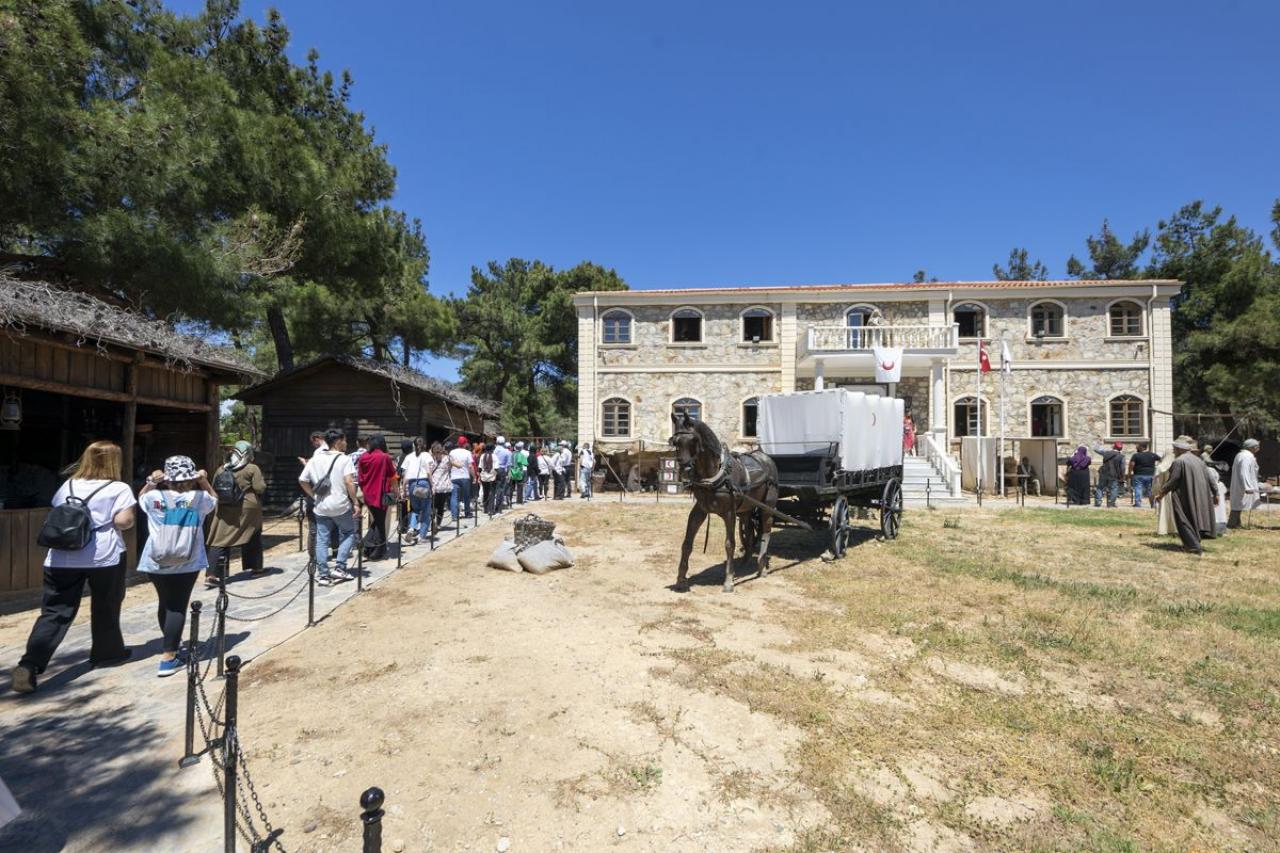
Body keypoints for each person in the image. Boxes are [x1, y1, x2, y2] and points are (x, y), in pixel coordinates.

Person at [10, 441, 136, 695]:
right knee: (106, 603)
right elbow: (124, 522)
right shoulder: (118, 488)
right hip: (103, 555)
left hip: (61, 557)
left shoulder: (67, 484)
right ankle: (107, 652)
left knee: (55, 611)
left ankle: (30, 664)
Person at [136, 456, 219, 677]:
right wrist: (204, 481)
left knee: (165, 602)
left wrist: (151, 482)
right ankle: (169, 656)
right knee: (178, 605)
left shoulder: (154, 496)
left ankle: (170, 643)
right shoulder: (199, 498)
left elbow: (140, 498)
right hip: (188, 559)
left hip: (157, 559)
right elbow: (215, 500)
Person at [299, 429, 359, 585]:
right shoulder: (344, 459)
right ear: (338, 441)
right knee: (348, 533)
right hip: (340, 504)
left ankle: (323, 575)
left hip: (321, 505)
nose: (346, 443)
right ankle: (340, 568)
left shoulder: (315, 459)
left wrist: (313, 495)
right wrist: (355, 501)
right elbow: (349, 482)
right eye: (344, 440)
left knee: (321, 539)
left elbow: (302, 480)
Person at [206, 441, 267, 588]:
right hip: (247, 506)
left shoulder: (221, 469)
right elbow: (260, 488)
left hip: (224, 506)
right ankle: (256, 568)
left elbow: (214, 486)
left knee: (219, 538)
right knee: (252, 533)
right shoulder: (252, 468)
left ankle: (213, 574)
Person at [1154, 435, 1217, 554]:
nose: (1174, 451)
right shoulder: (1199, 460)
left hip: (1184, 495)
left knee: (1183, 519)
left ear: (1179, 448)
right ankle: (1195, 541)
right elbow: (1211, 478)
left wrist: (1161, 493)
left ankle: (1192, 546)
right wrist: (1216, 493)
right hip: (1201, 495)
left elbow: (1173, 481)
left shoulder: (1179, 461)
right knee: (1195, 518)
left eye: (1175, 449)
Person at [357, 435, 398, 561]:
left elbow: (360, 478)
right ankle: (372, 548)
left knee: (377, 521)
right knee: (380, 523)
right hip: (382, 494)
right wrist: (396, 491)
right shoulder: (385, 457)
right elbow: (392, 476)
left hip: (367, 495)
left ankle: (371, 548)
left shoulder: (363, 457)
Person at [1229, 438, 1261, 528]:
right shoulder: (1247, 456)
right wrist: (1247, 487)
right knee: (1238, 503)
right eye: (1257, 446)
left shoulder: (1241, 455)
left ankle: (1236, 523)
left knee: (1238, 503)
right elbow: (1244, 471)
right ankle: (1232, 523)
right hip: (1242, 484)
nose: (1258, 448)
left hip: (1239, 483)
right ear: (1252, 447)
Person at [425, 441, 453, 533]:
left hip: (434, 487)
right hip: (443, 487)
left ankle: (433, 523)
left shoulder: (429, 459)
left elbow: (427, 473)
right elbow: (455, 466)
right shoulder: (447, 459)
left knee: (433, 506)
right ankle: (438, 524)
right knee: (440, 507)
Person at [397, 438, 422, 545]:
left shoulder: (399, 458)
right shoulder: (414, 457)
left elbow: (398, 472)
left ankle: (402, 526)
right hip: (413, 484)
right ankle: (413, 527)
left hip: (403, 485)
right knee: (414, 507)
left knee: (403, 507)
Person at [1201, 444, 1228, 536]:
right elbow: (1209, 463)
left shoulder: (1218, 485)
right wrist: (1218, 463)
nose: (1211, 449)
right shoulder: (1204, 455)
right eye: (1210, 448)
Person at [448, 436, 475, 521]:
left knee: (454, 496)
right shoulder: (467, 452)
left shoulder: (452, 452)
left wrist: (449, 474)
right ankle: (467, 513)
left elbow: (449, 464)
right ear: (465, 443)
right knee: (466, 496)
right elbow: (470, 466)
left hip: (454, 477)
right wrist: (474, 477)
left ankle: (454, 515)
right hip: (465, 477)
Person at [1092, 442, 1125, 508]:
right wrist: (1122, 476)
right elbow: (1123, 468)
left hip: (1104, 472)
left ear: (1114, 447)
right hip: (1114, 474)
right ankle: (1111, 503)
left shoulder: (1106, 453)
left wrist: (1099, 442)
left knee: (1100, 487)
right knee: (1114, 488)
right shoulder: (1121, 456)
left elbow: (1095, 449)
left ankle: (1098, 502)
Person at [1128, 442, 1160, 508]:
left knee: (1138, 488)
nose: (1137, 448)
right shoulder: (1153, 455)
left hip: (1138, 475)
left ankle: (1138, 504)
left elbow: (1132, 464)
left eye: (1138, 446)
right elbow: (1161, 459)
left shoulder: (1136, 455)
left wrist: (1129, 472)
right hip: (1150, 475)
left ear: (1142, 447)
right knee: (1150, 490)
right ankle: (1152, 504)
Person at [493, 437, 513, 510]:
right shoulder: (507, 452)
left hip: (493, 469)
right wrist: (509, 475)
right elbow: (509, 465)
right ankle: (498, 505)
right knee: (501, 488)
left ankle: (492, 505)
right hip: (502, 470)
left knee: (493, 488)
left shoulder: (494, 451)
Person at [478, 443, 498, 515]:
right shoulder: (494, 456)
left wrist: (479, 476)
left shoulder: (482, 456)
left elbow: (480, 467)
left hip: (484, 477)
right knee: (492, 493)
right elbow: (496, 468)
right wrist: (496, 476)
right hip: (492, 477)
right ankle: (491, 509)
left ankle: (485, 509)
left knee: (485, 492)